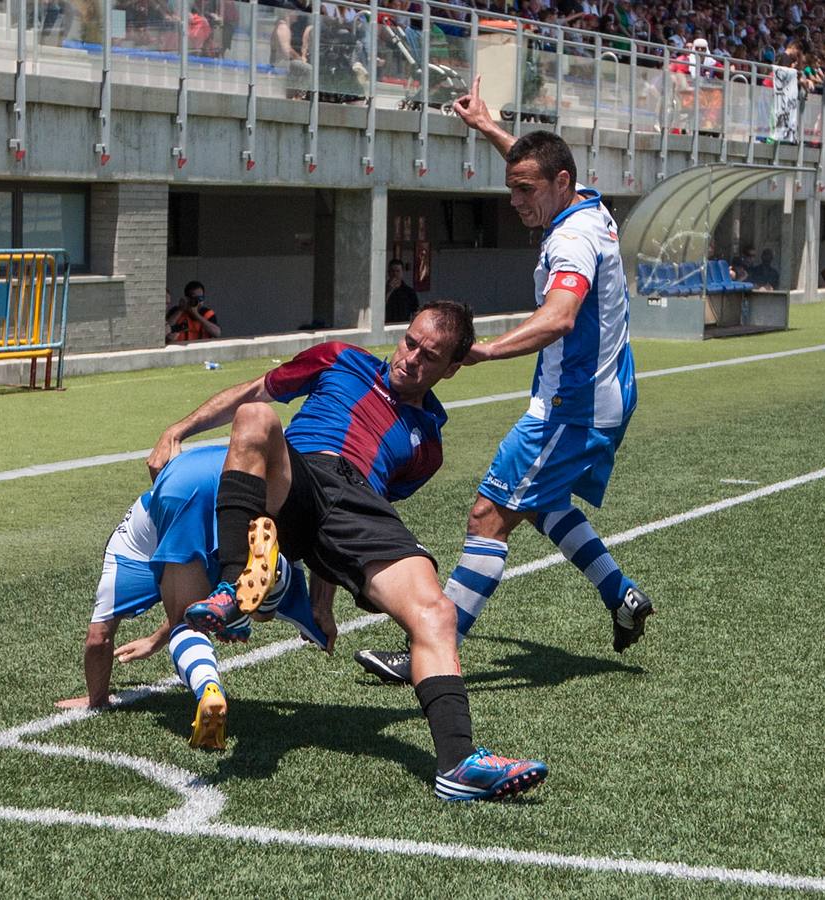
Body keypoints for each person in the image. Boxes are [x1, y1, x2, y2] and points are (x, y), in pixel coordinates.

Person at [149, 301, 550, 802]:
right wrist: (177, 431)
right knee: (256, 416)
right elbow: (252, 392)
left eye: (429, 356)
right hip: (295, 479)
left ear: (450, 369)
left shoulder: (428, 446)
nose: (410, 359)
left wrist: (325, 599)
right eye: (410, 342)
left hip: (358, 505)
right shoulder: (339, 358)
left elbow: (349, 529)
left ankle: (457, 764)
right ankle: (235, 588)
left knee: (436, 612)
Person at [352, 80, 652, 687]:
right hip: (606, 391)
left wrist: (485, 350)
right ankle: (622, 596)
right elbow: (537, 160)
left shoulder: (570, 238)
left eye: (525, 191)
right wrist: (489, 127)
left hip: (570, 406)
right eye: (510, 188)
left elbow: (561, 314)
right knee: (541, 505)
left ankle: (430, 653)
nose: (515, 201)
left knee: (489, 514)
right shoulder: (587, 203)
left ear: (559, 184)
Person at [56, 445, 335, 751]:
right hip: (235, 463)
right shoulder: (138, 520)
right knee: (243, 599)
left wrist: (97, 700)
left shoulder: (120, 557)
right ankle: (269, 573)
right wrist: (322, 604)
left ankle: (208, 690)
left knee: (187, 624)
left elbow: (99, 639)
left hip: (178, 492)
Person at [384, 257, 420, 324]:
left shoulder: (409, 292)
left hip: (403, 325)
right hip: (386, 325)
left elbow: (416, 312)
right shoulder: (382, 290)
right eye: (392, 271)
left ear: (402, 272)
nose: (395, 274)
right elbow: (378, 307)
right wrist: (389, 291)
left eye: (398, 271)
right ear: (388, 272)